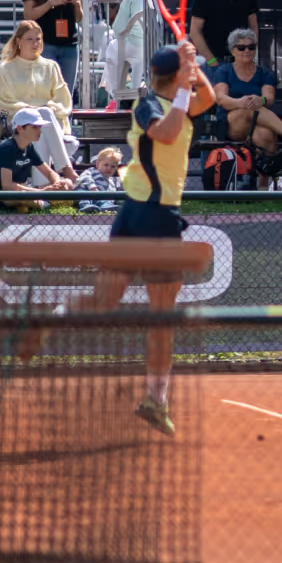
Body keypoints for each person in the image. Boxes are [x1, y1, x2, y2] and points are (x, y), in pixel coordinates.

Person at [21, 42, 216, 435]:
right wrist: (184, 83)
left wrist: (195, 66)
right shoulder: (147, 107)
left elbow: (208, 98)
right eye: (183, 74)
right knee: (127, 306)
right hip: (148, 216)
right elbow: (168, 132)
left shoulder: (180, 97)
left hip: (151, 215)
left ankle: (154, 400)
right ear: (171, 79)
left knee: (143, 309)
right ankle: (52, 322)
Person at [207, 27, 282, 185]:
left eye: (251, 47)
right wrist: (240, 102)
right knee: (249, 107)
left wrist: (260, 100)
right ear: (232, 51)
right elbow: (221, 98)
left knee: (265, 135)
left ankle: (262, 190)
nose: (247, 50)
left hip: (257, 121)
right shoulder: (224, 71)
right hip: (231, 122)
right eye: (241, 47)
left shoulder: (264, 73)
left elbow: (268, 98)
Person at [0, 20, 80, 180]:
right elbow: (3, 102)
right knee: (40, 116)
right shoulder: (5, 68)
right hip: (18, 121)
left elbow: (63, 101)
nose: (35, 43)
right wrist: (28, 109)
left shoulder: (50, 66)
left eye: (38, 39)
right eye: (30, 39)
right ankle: (67, 170)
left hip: (48, 121)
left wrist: (45, 108)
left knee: (43, 117)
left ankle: (41, 186)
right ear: (19, 41)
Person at [20, 0, 97, 87]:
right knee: (44, 89)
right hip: (46, 43)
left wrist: (77, 5)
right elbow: (28, 14)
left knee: (66, 91)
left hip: (69, 44)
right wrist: (51, 3)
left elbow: (79, 18)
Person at [0, 108, 76, 205]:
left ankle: (46, 201)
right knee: (24, 199)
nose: (40, 131)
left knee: (68, 183)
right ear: (20, 129)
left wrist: (57, 184)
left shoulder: (29, 146)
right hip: (5, 196)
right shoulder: (6, 149)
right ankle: (47, 203)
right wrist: (42, 192)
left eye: (39, 127)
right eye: (35, 127)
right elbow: (8, 186)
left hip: (23, 190)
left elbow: (49, 173)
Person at [75, 145, 125, 214]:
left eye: (113, 166)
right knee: (85, 196)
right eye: (106, 165)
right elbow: (84, 177)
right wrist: (92, 186)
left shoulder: (111, 182)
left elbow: (112, 192)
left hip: (99, 197)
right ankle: (86, 206)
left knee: (106, 199)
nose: (109, 168)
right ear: (98, 164)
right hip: (88, 192)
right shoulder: (92, 171)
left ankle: (106, 207)